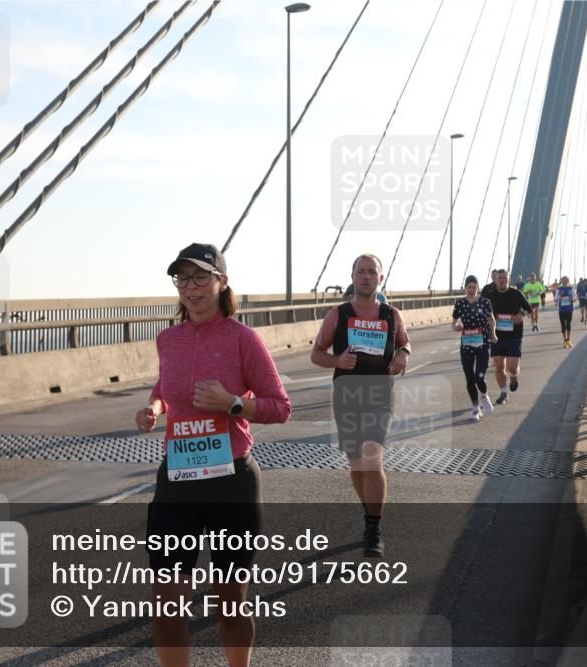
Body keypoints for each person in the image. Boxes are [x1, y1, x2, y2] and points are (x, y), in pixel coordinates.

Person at [137, 242, 291, 667]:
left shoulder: (244, 339)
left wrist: (233, 404)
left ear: (222, 283)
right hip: (178, 484)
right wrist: (155, 407)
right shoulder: (168, 339)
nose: (191, 287)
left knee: (231, 603)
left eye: (201, 277)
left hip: (231, 484)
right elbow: (166, 387)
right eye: (182, 278)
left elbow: (280, 406)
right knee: (167, 607)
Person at [311, 254, 411, 558]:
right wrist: (337, 361)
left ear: (380, 279)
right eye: (361, 272)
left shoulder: (392, 314)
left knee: (372, 457)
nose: (366, 277)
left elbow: (405, 342)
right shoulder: (337, 315)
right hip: (347, 395)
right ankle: (368, 510)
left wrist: (403, 354)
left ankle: (374, 527)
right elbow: (316, 354)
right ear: (353, 277)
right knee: (357, 464)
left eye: (372, 272)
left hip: (380, 393)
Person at [451, 275, 498, 421]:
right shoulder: (460, 304)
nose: (471, 290)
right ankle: (475, 407)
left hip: (483, 343)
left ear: (478, 288)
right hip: (466, 345)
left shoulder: (485, 302)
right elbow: (454, 323)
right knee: (469, 378)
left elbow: (491, 319)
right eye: (469, 287)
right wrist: (456, 327)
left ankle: (484, 395)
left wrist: (493, 334)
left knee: (479, 377)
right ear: (465, 288)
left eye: (474, 287)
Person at [488, 269, 532, 404]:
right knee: (499, 366)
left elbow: (528, 308)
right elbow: (484, 312)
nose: (502, 280)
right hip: (497, 336)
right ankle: (503, 393)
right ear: (496, 279)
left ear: (508, 279)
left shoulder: (516, 294)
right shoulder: (490, 296)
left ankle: (513, 376)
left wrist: (522, 315)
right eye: (499, 278)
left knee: (512, 367)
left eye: (504, 278)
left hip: (514, 335)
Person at [556, 276, 576, 348]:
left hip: (569, 309)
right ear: (561, 281)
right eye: (563, 280)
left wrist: (572, 299)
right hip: (561, 310)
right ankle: (565, 340)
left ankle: (568, 339)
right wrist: (559, 297)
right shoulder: (558, 289)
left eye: (566, 280)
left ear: (568, 281)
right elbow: (555, 299)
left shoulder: (571, 288)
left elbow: (575, 297)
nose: (564, 281)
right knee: (563, 325)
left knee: (568, 324)